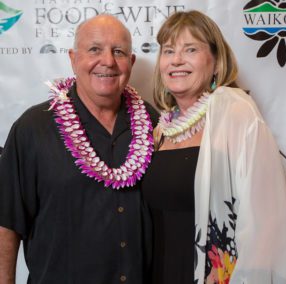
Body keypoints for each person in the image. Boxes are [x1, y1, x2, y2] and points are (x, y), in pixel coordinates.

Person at [0, 14, 158, 283]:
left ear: (131, 63)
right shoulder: (33, 128)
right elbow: (6, 224)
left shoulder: (153, 124)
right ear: (73, 59)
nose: (107, 61)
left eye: (118, 51)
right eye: (94, 49)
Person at [141, 10, 286, 284]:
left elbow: (266, 222)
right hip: (160, 273)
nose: (176, 60)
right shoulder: (160, 130)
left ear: (215, 61)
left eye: (190, 49)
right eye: (168, 51)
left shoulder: (234, 111)